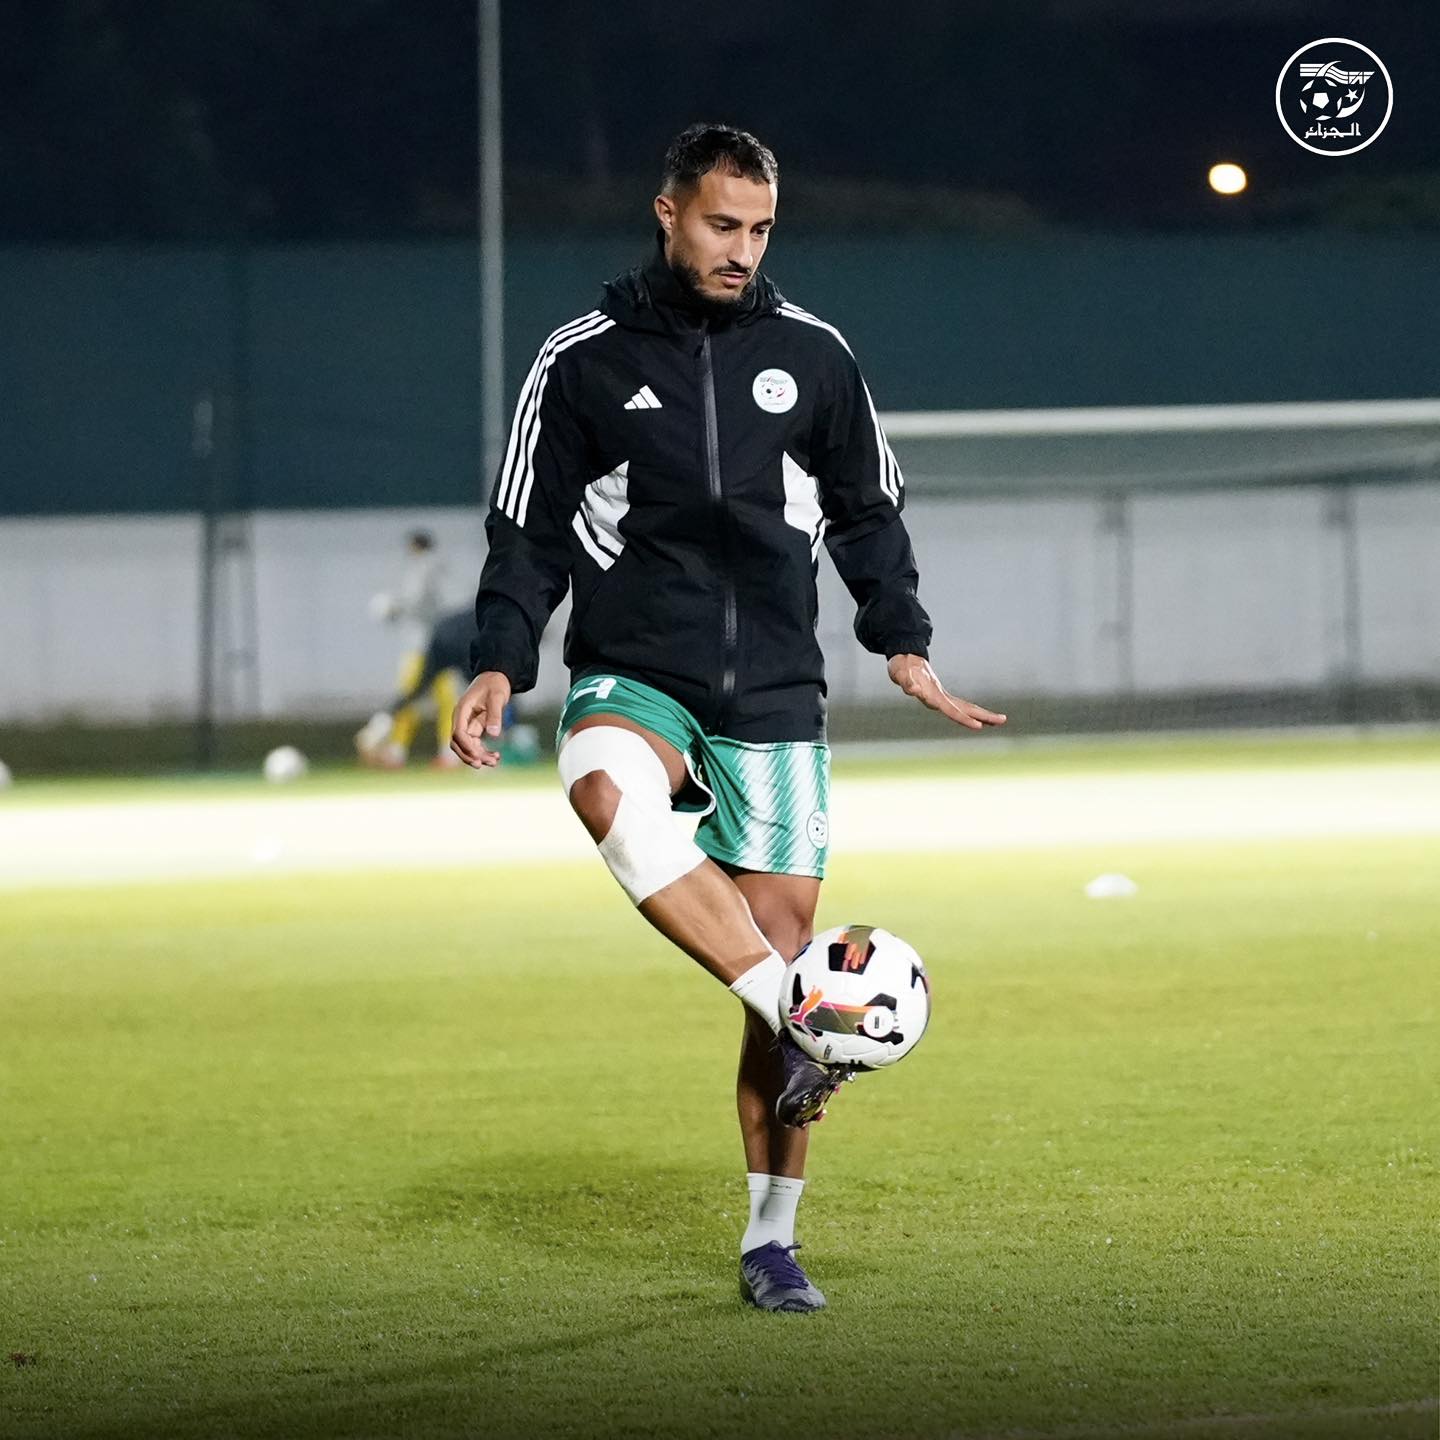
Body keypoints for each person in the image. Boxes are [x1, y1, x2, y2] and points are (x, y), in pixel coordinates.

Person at [451, 124, 1006, 1313]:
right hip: (636, 668)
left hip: (774, 695)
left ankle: (771, 1243)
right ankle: (801, 1015)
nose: (742, 249)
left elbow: (869, 512)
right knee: (604, 786)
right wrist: (500, 660)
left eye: (759, 229)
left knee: (777, 945)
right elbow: (526, 530)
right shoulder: (582, 359)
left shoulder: (814, 356)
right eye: (720, 224)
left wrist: (902, 639)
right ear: (668, 214)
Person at [366, 530, 457, 767]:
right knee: (447, 700)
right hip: (442, 645)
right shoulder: (442, 568)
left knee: (408, 696)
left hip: (421, 647)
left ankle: (397, 750)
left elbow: (416, 602)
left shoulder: (423, 567)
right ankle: (451, 751)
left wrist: (392, 608)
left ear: (415, 546)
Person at [356, 608, 480, 770]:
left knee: (418, 692)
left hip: (436, 638)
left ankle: (378, 729)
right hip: (442, 645)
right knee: (463, 698)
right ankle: (456, 753)